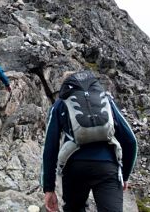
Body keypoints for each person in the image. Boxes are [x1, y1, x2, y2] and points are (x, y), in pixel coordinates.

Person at [41, 70, 137, 212]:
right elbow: (130, 140)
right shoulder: (105, 100)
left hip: (74, 167)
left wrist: (48, 188)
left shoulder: (60, 104)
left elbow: (50, 148)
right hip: (107, 167)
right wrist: (125, 174)